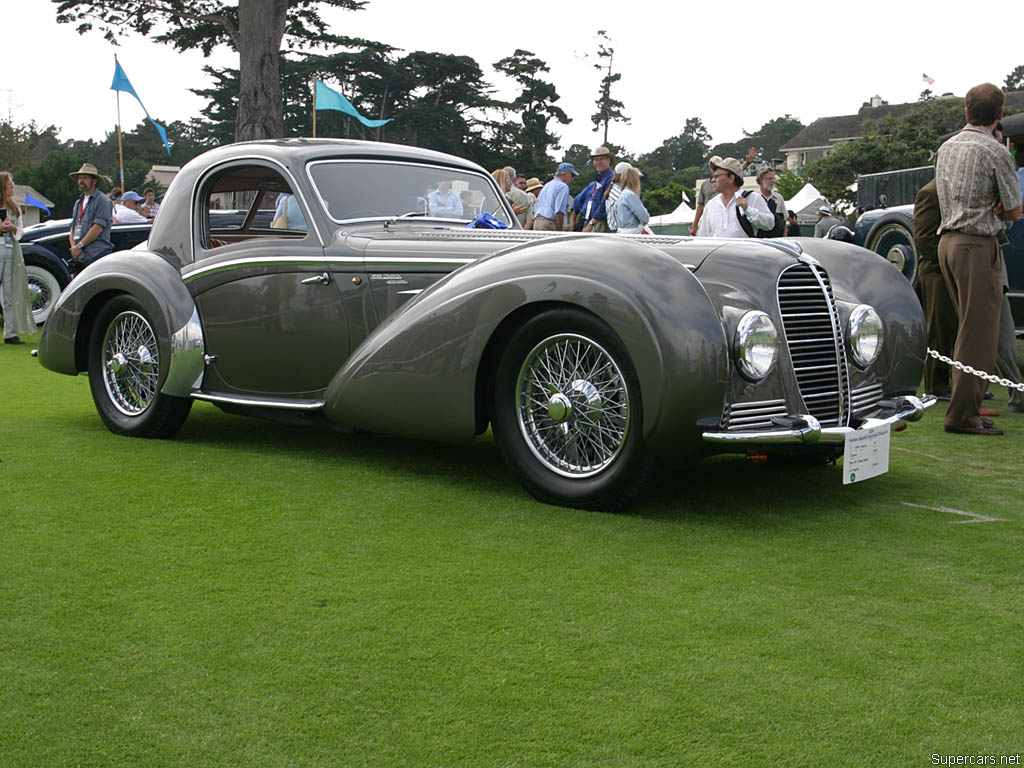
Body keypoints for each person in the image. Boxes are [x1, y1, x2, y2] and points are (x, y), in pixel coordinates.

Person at [935, 82, 1022, 436]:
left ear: (967, 111)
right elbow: (1014, 210)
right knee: (978, 337)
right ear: (999, 115)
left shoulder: (947, 147)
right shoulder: (996, 152)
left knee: (966, 333)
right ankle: (962, 414)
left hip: (949, 243)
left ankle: (966, 407)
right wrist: (1003, 208)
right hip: (977, 245)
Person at [913, 179, 957, 401]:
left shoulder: (953, 189)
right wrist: (949, 262)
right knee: (940, 331)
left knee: (956, 331)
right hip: (936, 271)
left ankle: (954, 383)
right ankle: (936, 386)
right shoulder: (930, 192)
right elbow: (923, 238)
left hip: (951, 268)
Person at [696, 157, 774, 238]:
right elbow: (703, 236)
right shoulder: (711, 204)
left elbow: (770, 224)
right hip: (717, 251)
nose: (712, 180)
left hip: (745, 250)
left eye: (717, 176)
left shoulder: (753, 198)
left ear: (731, 178)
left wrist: (748, 210)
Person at [0, 171, 35, 344]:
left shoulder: (15, 207)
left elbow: (21, 231)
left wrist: (13, 228)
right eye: (10, 184)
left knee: (9, 292)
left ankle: (10, 332)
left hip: (11, 250)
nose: (13, 187)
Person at [67, 163, 114, 267]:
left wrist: (79, 246)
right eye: (79, 178)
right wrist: (73, 247)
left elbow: (97, 228)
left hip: (97, 255)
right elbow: (73, 227)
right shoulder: (78, 202)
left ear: (94, 181)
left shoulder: (103, 201)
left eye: (85, 178)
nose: (81, 181)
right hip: (81, 256)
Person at [533, 163, 577, 231]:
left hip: (536, 223)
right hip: (548, 224)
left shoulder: (546, 185)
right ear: (567, 173)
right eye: (572, 175)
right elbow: (559, 211)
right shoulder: (563, 186)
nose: (572, 179)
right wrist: (560, 230)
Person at [581, 146, 614, 232]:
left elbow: (604, 203)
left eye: (601, 159)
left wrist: (591, 223)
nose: (598, 162)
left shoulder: (611, 178)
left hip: (602, 222)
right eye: (596, 160)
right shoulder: (597, 181)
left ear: (608, 160)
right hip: (592, 221)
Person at [613, 167, 650, 234]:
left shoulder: (622, 194)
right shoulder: (630, 195)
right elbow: (645, 218)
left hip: (622, 231)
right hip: (633, 232)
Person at [753, 166, 787, 238]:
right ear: (761, 180)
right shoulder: (754, 198)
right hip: (759, 240)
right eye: (769, 178)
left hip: (777, 239)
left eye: (773, 178)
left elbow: (784, 221)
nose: (772, 181)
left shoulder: (778, 198)